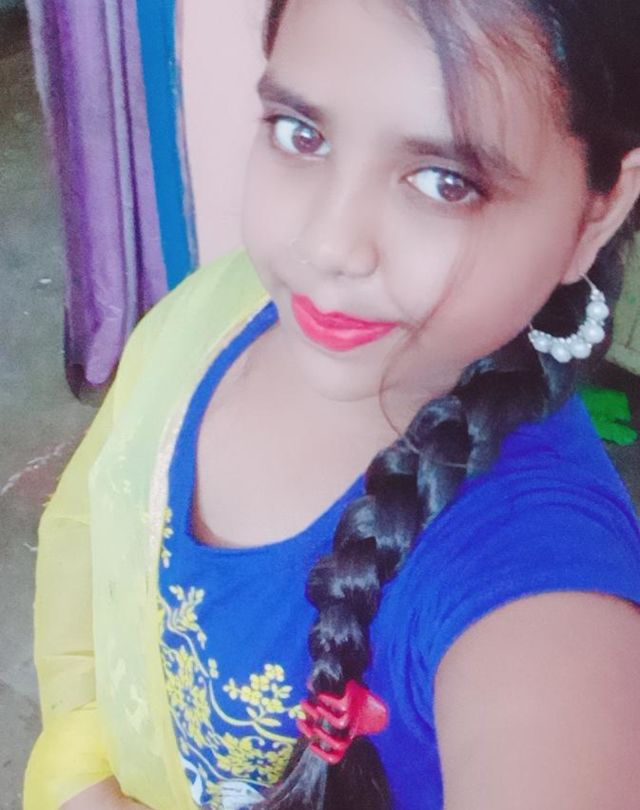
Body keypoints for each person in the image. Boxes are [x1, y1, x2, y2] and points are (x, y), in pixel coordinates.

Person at [24, 0, 640, 808]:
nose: (326, 244)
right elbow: (87, 546)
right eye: (301, 133)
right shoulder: (219, 314)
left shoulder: (533, 593)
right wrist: (83, 778)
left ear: (598, 212)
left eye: (445, 182)